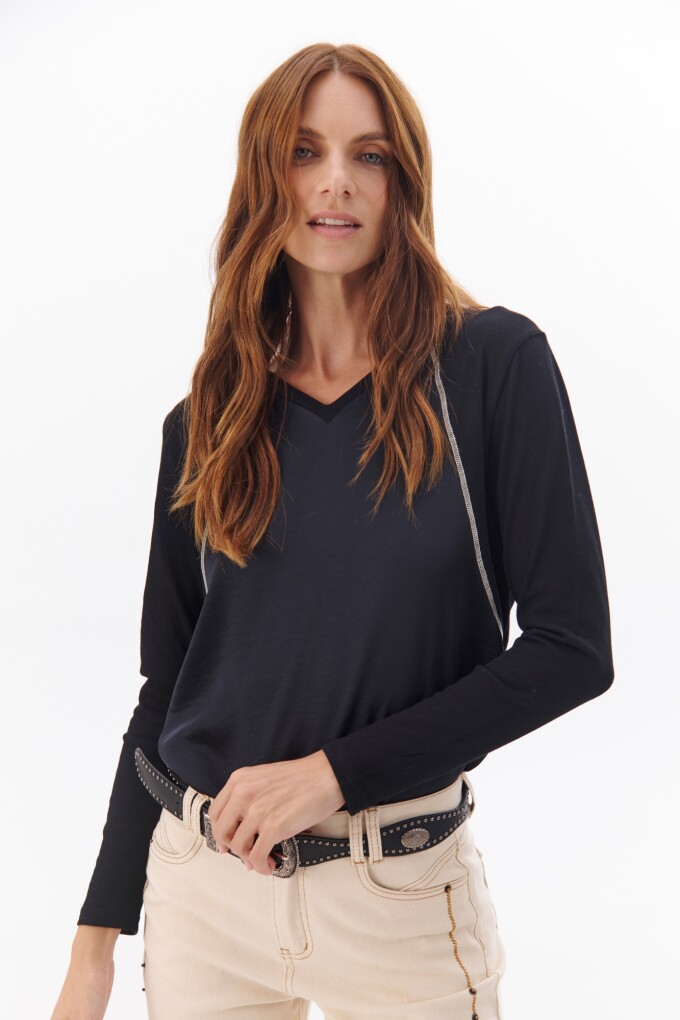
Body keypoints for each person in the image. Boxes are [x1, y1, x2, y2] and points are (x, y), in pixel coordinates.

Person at [51, 42, 614, 1020]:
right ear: (264, 179)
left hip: (394, 904)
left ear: (403, 181)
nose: (335, 182)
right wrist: (94, 943)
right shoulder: (206, 423)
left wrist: (333, 776)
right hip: (200, 899)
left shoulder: (491, 368)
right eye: (304, 152)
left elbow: (572, 650)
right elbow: (165, 693)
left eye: (369, 155)